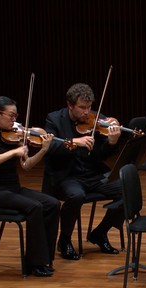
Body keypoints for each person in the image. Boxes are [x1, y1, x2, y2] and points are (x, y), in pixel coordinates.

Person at [0, 96, 60, 277]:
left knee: (52, 203)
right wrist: (14, 152)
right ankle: (33, 263)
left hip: (13, 189)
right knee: (34, 207)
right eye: (11, 116)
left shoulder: (15, 135)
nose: (15, 121)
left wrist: (43, 150)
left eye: (16, 116)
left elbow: (26, 166)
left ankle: (45, 258)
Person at [42, 83, 124, 260]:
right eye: (82, 108)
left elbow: (102, 154)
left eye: (89, 107)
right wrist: (73, 142)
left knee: (127, 191)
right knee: (76, 196)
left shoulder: (96, 119)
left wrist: (112, 142)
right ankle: (64, 240)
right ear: (70, 105)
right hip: (67, 176)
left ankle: (100, 233)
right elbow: (49, 147)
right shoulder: (54, 119)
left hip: (92, 174)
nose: (87, 112)